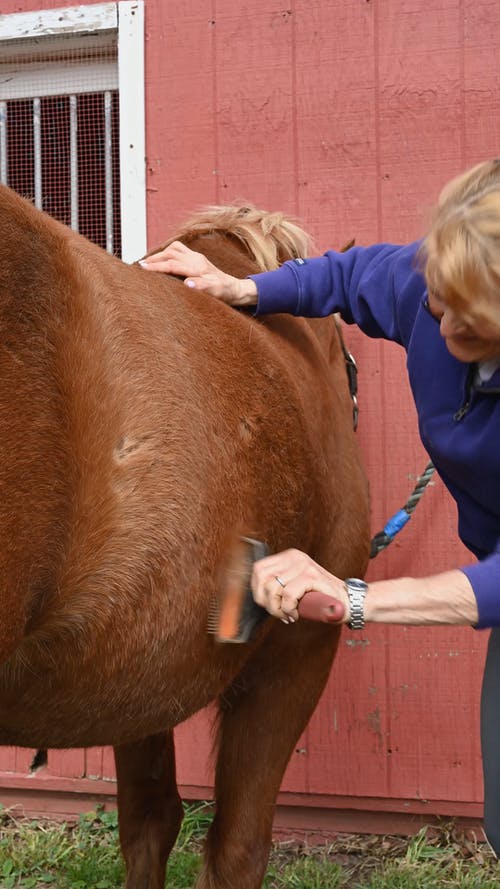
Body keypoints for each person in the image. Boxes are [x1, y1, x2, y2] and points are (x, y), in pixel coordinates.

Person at [141, 159, 500, 853]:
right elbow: (350, 276)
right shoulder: (431, 289)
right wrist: (246, 286)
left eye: (473, 321)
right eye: (438, 297)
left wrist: (350, 595)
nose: (442, 320)